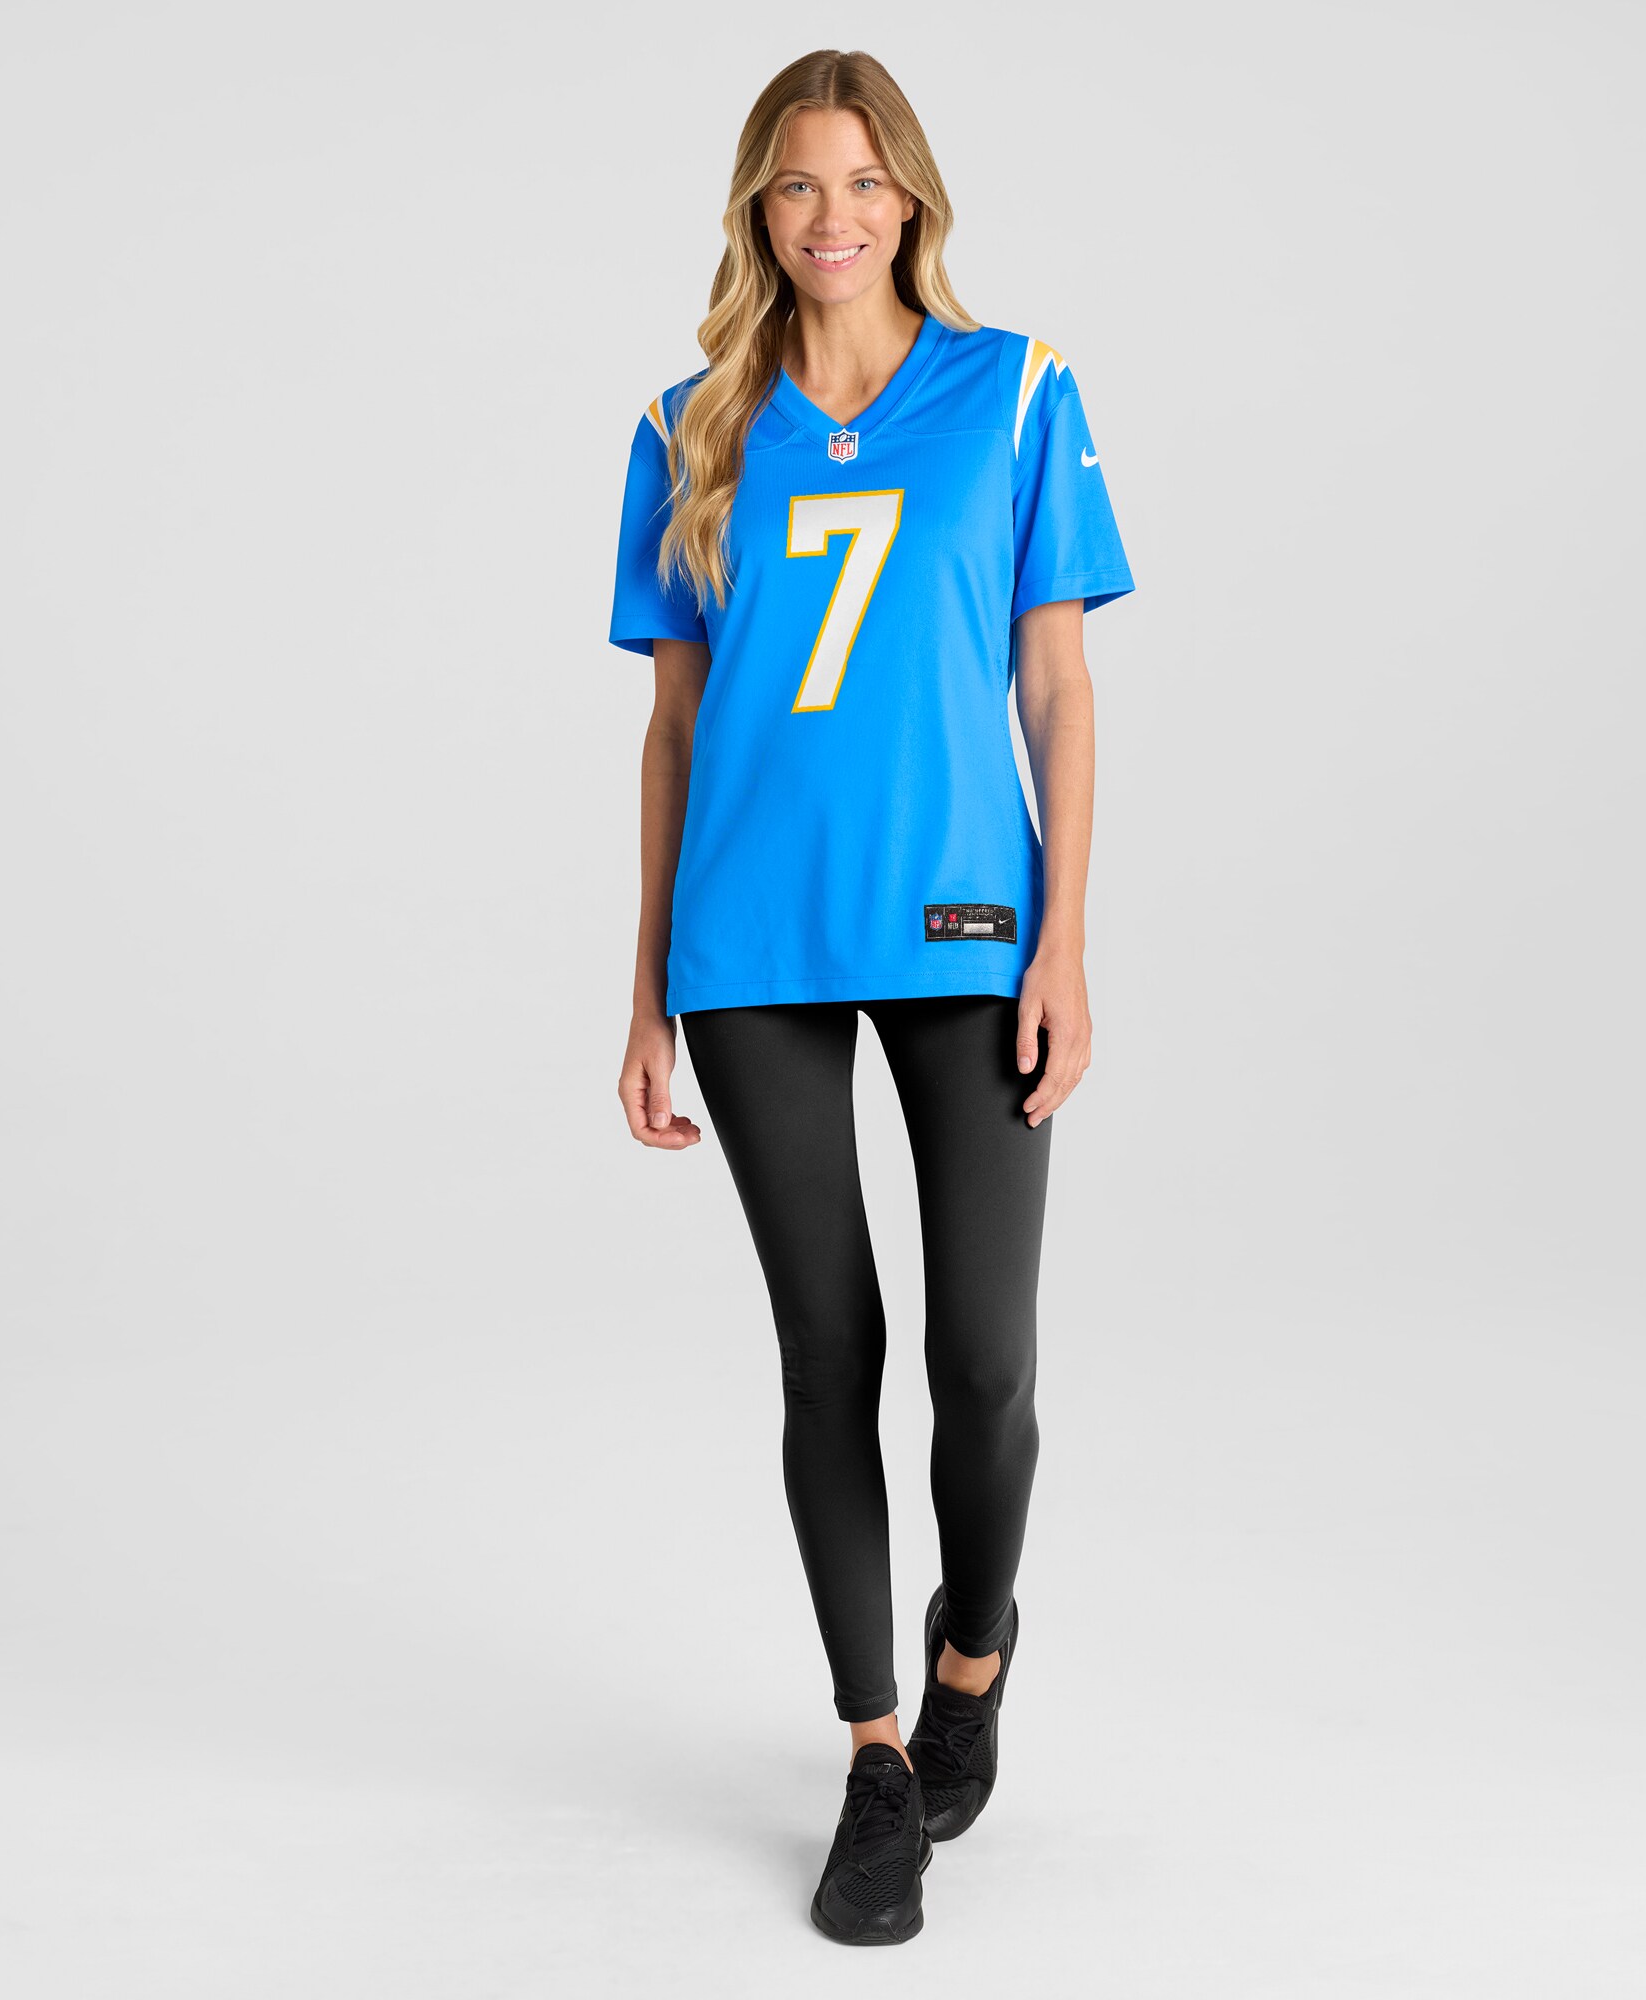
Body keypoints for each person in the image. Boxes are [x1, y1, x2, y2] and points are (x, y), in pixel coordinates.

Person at [608, 47, 1134, 1946]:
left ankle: (971, 1649)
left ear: (911, 195)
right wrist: (646, 985)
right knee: (827, 1352)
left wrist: (1066, 941)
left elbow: (1056, 684)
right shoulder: (689, 426)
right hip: (750, 941)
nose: (830, 217)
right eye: (794, 185)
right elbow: (675, 730)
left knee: (985, 1367)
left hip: (967, 926)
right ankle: (876, 1758)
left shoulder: (1017, 394)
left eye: (861, 181)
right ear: (756, 210)